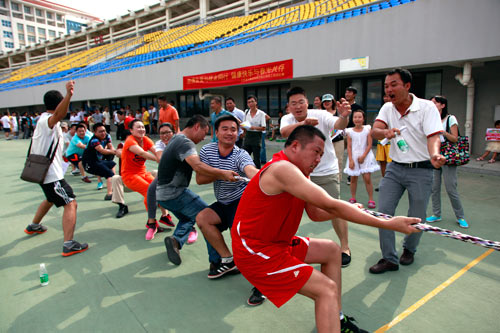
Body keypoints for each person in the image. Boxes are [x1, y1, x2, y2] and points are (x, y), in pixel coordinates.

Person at [231, 125, 420, 332]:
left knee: (331, 250)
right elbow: (330, 205)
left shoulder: (300, 172)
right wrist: (387, 224)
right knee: (325, 289)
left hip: (276, 244)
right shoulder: (282, 169)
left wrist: (346, 209)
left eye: (322, 154)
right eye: (316, 152)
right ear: (295, 146)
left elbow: (316, 213)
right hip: (255, 251)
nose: (319, 159)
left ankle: (336, 320)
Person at [369, 68, 446, 274]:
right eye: (386, 86)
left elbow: (433, 137)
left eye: (394, 84)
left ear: (407, 86)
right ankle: (389, 258)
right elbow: (375, 131)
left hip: (422, 169)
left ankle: (409, 249)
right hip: (395, 169)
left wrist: (435, 155)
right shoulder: (387, 108)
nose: (389, 90)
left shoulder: (427, 108)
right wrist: (385, 132)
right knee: (383, 213)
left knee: (417, 216)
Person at [280, 87, 353, 267]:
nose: (298, 106)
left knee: (335, 208)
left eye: (301, 102)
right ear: (288, 107)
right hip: (298, 174)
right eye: (293, 103)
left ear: (308, 102)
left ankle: (345, 247)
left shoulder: (320, 115)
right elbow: (284, 132)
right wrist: (303, 123)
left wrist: (344, 117)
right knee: (286, 210)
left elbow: (338, 125)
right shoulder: (287, 119)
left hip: (326, 172)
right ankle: (282, 246)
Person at [156, 115, 238, 266]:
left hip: (162, 195)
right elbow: (197, 166)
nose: (203, 137)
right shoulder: (185, 143)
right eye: (204, 132)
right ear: (196, 127)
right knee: (206, 219)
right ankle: (219, 261)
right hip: (175, 194)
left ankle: (176, 240)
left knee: (188, 218)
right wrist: (222, 173)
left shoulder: (176, 138)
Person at [24, 81, 88, 257]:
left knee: (51, 198)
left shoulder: (42, 121)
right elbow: (58, 115)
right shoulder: (47, 121)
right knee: (70, 202)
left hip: (44, 173)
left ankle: (34, 225)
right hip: (51, 175)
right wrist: (68, 95)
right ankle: (69, 244)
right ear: (59, 104)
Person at [195, 115, 259, 278]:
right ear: (216, 132)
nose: (230, 133)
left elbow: (251, 170)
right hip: (223, 202)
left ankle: (260, 279)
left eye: (233, 130)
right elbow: (200, 179)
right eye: (225, 129)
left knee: (242, 241)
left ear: (238, 134)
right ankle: (228, 260)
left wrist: (261, 175)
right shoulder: (207, 151)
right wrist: (221, 174)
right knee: (203, 219)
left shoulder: (240, 155)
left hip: (241, 202)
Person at [426, 96, 468, 228]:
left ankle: (460, 216)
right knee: (434, 187)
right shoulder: (431, 119)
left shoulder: (451, 118)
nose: (432, 105)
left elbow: (455, 138)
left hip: (448, 156)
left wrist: (442, 132)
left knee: (451, 188)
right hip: (435, 154)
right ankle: (436, 214)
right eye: (431, 103)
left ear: (443, 105)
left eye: (435, 103)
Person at [121, 119, 160, 239]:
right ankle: (151, 223)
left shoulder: (146, 139)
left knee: (158, 189)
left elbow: (156, 151)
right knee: (149, 191)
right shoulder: (130, 141)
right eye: (138, 127)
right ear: (131, 130)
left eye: (143, 127)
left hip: (143, 173)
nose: (142, 129)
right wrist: (159, 160)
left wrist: (163, 156)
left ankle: (164, 216)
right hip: (129, 176)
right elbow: (143, 154)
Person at [144, 122, 178, 239]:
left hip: (180, 175)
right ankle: (152, 223)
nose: (165, 135)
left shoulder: (179, 142)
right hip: (165, 174)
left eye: (168, 132)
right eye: (162, 133)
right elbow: (160, 159)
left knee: (178, 197)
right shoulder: (159, 144)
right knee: (152, 190)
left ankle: (189, 226)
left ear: (173, 133)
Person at [344, 110, 379, 208]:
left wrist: (363, 156)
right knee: (353, 178)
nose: (357, 119)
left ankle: (371, 199)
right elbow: (349, 146)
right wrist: (351, 160)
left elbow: (369, 144)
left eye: (359, 117)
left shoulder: (367, 129)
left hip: (366, 156)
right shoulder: (349, 131)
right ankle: (353, 197)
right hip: (353, 156)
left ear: (363, 119)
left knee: (367, 178)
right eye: (355, 117)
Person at [82, 123, 117, 200]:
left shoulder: (107, 136)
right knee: (109, 174)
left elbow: (110, 146)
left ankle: (113, 183)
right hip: (89, 164)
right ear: (95, 132)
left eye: (104, 131)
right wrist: (116, 152)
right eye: (100, 131)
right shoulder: (94, 140)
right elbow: (102, 150)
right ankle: (109, 194)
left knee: (112, 164)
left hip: (98, 161)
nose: (103, 133)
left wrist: (115, 151)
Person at [322, 94, 345, 180]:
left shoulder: (338, 112)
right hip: (325, 141)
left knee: (338, 161)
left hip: (337, 140)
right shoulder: (321, 113)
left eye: (328, 101)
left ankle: (337, 181)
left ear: (332, 102)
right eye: (324, 101)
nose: (326, 103)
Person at [242, 95, 267, 168]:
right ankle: (245, 171)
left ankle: (257, 174)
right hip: (248, 137)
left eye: (252, 101)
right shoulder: (246, 112)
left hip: (256, 137)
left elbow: (263, 127)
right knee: (244, 155)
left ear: (256, 102)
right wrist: (243, 128)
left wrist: (253, 128)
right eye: (249, 102)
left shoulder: (261, 113)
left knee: (256, 159)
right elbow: (244, 123)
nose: (251, 104)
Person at [375, 93, 393, 191]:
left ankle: (391, 183)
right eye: (385, 96)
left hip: (391, 141)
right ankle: (384, 182)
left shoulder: (395, 110)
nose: (386, 98)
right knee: (382, 162)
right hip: (381, 141)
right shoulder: (382, 109)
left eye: (389, 96)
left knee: (390, 163)